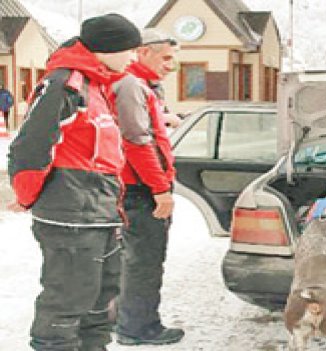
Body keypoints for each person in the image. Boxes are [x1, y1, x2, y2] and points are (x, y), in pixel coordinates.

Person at [6, 14, 140, 351]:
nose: (133, 57)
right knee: (66, 304)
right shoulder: (65, 84)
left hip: (101, 215)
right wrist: (26, 195)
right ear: (106, 49)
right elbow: (31, 145)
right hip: (72, 217)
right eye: (130, 49)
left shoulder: (96, 87)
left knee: (101, 305)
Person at [111, 28, 183, 346]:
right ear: (142, 52)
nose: (171, 66)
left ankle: (123, 320)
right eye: (166, 58)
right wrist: (160, 188)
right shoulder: (131, 85)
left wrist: (164, 118)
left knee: (130, 259)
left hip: (131, 187)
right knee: (145, 262)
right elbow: (137, 142)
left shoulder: (142, 86)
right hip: (139, 190)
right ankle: (139, 328)